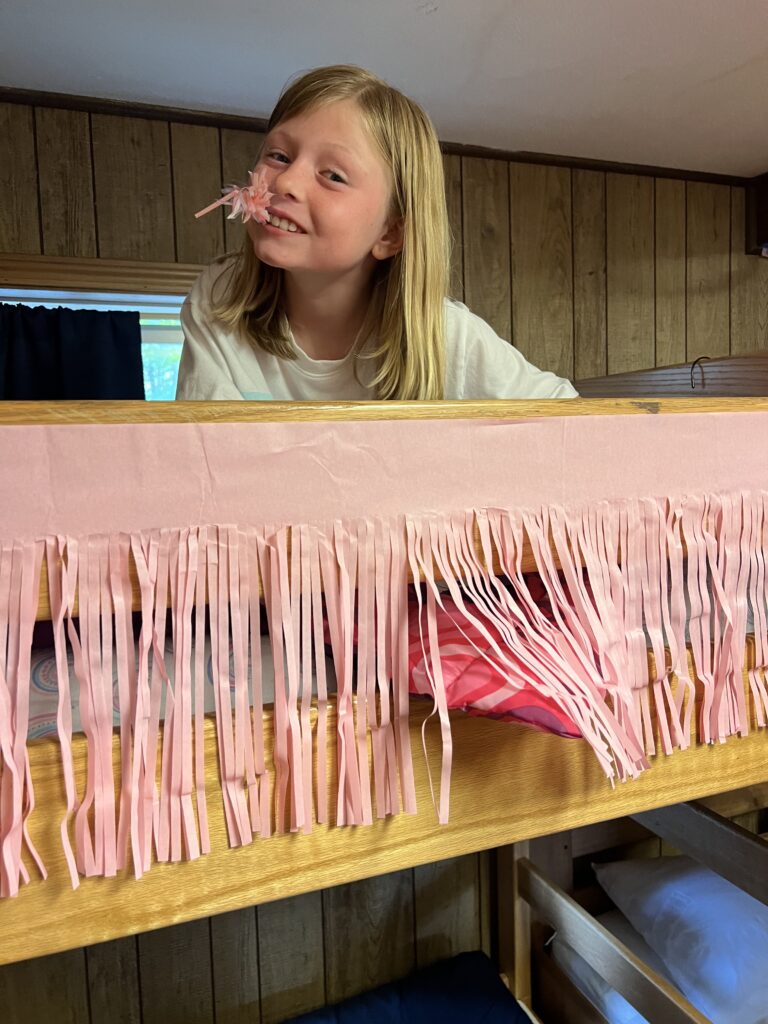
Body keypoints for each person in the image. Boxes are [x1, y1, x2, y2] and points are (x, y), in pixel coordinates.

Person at [175, 64, 577, 402]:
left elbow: (569, 415)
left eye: (333, 175)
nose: (286, 182)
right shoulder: (218, 298)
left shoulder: (445, 337)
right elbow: (205, 453)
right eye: (279, 156)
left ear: (390, 233)